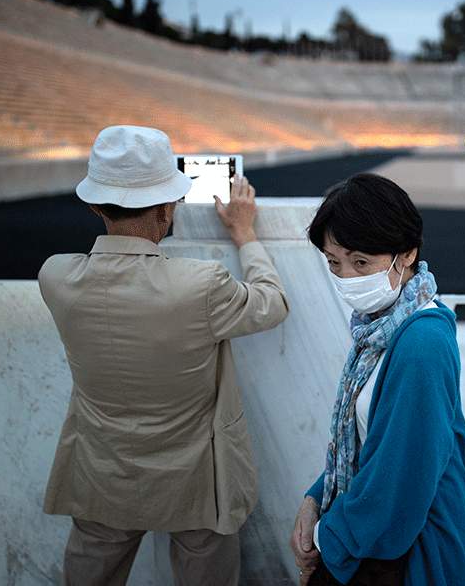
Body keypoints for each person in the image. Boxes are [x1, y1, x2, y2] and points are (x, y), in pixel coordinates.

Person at [38, 125, 289, 585]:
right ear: (168, 208)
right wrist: (245, 234)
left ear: (94, 206)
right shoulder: (201, 285)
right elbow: (272, 303)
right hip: (195, 480)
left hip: (101, 472)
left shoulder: (55, 277)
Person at [288, 173, 465, 586]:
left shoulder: (419, 343)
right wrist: (316, 496)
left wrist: (325, 541)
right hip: (379, 544)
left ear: (406, 253)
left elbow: (398, 487)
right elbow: (369, 442)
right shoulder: (380, 328)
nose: (347, 278)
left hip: (410, 557)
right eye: (334, 263)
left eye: (361, 262)